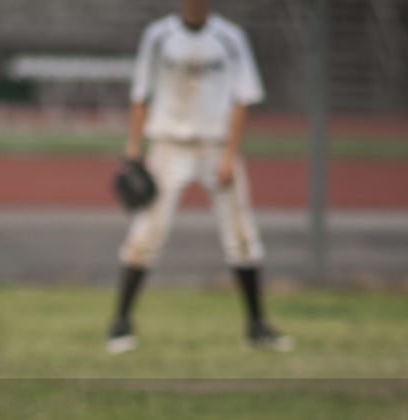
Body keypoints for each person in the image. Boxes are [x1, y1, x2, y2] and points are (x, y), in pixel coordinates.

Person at [107, 0, 289, 354]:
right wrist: (133, 149)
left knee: (242, 234)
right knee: (146, 233)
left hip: (216, 146)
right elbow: (140, 93)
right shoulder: (159, 36)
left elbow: (242, 98)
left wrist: (229, 155)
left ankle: (256, 326)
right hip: (169, 145)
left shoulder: (230, 37)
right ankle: (120, 323)